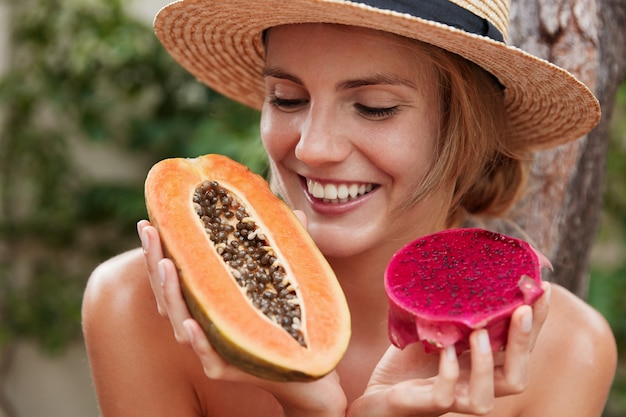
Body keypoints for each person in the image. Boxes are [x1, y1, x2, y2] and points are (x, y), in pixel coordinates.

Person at [82, 1, 617, 416]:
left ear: (465, 132)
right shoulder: (133, 308)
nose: (314, 148)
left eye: (374, 107)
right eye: (287, 98)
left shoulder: (569, 353)